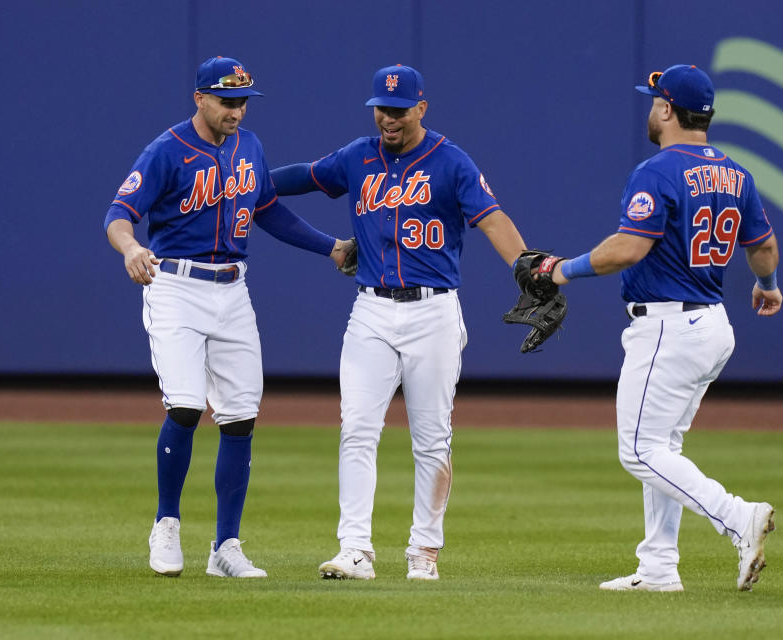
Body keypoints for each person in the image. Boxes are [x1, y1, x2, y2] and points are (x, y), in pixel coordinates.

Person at [269, 64, 530, 580]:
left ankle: (424, 552)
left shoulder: (450, 161)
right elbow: (300, 176)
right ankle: (355, 549)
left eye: (399, 109)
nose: (388, 118)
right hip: (370, 308)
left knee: (432, 437)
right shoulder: (357, 156)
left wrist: (530, 271)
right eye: (381, 108)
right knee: (357, 429)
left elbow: (492, 218)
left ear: (421, 108)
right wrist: (245, 179)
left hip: (433, 311)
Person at [103, 56, 354, 578]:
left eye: (242, 101)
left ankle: (226, 547)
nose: (236, 110)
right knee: (188, 404)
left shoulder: (249, 146)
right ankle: (166, 522)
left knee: (240, 415)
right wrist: (130, 248)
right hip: (175, 286)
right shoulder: (167, 150)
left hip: (233, 291)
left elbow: (267, 210)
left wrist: (329, 247)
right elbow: (119, 213)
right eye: (225, 100)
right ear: (199, 98)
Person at [543, 64, 782, 591]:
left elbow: (628, 249)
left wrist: (561, 270)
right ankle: (658, 567)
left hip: (670, 328)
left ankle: (737, 517)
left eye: (655, 101)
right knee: (661, 449)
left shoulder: (657, 170)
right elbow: (762, 247)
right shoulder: (736, 173)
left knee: (638, 450)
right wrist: (766, 284)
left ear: (668, 109)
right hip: (712, 324)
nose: (650, 109)